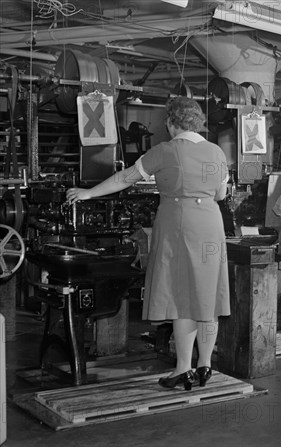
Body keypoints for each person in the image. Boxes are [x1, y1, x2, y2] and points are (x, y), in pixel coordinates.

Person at [66, 97, 230, 390]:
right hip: (210, 224)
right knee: (208, 297)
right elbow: (220, 194)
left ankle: (183, 369)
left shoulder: (166, 150)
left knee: (183, 299)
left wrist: (88, 193)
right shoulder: (216, 151)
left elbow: (125, 178)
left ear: (171, 122)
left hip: (180, 224)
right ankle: (205, 365)